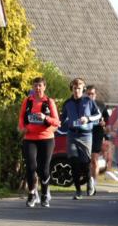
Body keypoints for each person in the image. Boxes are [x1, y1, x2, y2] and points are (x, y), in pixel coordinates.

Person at [18, 77, 60, 208]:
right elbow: (21, 118)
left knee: (44, 169)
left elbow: (57, 122)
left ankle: (44, 194)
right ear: (32, 87)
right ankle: (31, 194)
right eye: (35, 86)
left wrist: (45, 117)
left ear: (44, 87)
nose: (37, 88)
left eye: (40, 86)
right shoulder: (27, 101)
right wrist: (22, 128)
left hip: (46, 138)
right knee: (31, 167)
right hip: (30, 138)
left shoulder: (49, 102)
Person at [58, 78, 102, 199]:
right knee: (74, 163)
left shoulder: (89, 101)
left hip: (86, 135)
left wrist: (88, 118)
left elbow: (98, 115)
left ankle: (89, 182)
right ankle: (78, 191)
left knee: (85, 164)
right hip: (72, 135)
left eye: (79, 88)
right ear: (71, 89)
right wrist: (58, 123)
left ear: (83, 89)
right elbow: (62, 119)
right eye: (74, 88)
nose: (76, 90)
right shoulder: (67, 103)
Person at [86, 85, 108, 196]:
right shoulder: (82, 104)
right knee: (86, 161)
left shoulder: (101, 105)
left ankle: (93, 183)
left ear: (96, 94)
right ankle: (89, 180)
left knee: (94, 160)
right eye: (88, 94)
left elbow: (107, 120)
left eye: (92, 94)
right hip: (84, 134)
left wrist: (104, 123)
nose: (90, 96)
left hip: (97, 134)